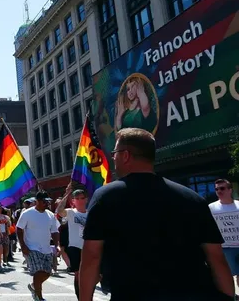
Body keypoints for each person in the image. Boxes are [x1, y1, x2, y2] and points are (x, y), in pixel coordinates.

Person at [80, 128, 235, 301]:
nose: (113, 158)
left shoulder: (105, 198)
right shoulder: (193, 199)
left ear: (125, 155)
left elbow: (92, 257)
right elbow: (216, 257)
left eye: (115, 153)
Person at [16, 191, 59, 300]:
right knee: (38, 272)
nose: (47, 204)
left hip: (46, 248)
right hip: (32, 247)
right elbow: (19, 229)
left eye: (48, 202)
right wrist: (23, 246)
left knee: (47, 272)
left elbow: (54, 231)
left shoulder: (50, 215)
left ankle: (34, 286)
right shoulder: (27, 213)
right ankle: (39, 296)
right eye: (44, 201)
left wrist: (57, 245)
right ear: (37, 201)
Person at [56, 186, 88, 299]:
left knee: (90, 275)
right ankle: (80, 297)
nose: (80, 200)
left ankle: (88, 296)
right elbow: (59, 211)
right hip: (74, 247)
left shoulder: (90, 213)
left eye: (82, 198)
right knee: (78, 274)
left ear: (86, 199)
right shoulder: (70, 212)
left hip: (88, 247)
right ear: (73, 201)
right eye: (77, 198)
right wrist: (67, 194)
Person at [209, 179, 239, 289]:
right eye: (216, 189)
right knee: (228, 275)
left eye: (222, 188)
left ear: (230, 190)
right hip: (225, 247)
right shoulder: (211, 208)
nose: (219, 191)